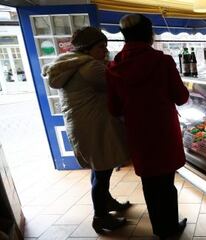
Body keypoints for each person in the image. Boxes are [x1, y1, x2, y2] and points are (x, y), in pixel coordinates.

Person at [106, 14, 189, 240]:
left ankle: (159, 229)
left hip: (138, 133)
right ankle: (170, 227)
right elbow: (181, 97)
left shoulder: (114, 66)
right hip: (163, 132)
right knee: (166, 184)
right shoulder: (162, 61)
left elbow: (114, 108)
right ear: (149, 34)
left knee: (149, 184)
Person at [42, 27, 131, 233]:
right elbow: (119, 86)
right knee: (101, 172)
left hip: (84, 124)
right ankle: (100, 218)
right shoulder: (91, 67)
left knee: (99, 167)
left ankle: (107, 203)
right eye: (101, 47)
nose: (105, 51)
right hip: (94, 124)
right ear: (87, 48)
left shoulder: (69, 63)